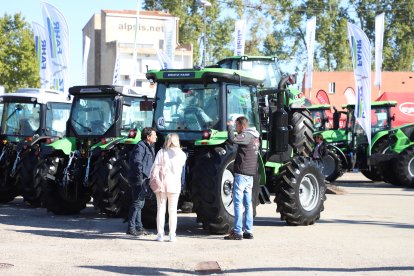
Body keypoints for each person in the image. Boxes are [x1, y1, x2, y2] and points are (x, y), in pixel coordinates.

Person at [225, 116, 260, 240]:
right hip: (250, 175)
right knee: (248, 203)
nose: (236, 128)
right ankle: (248, 231)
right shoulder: (256, 137)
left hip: (242, 174)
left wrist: (228, 126)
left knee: (238, 203)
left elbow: (232, 139)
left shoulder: (246, 135)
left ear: (242, 126)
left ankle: (238, 231)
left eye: (236, 126)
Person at [153, 133, 187, 242]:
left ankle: (160, 235)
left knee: (161, 209)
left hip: (161, 184)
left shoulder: (161, 152)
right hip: (175, 185)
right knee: (173, 211)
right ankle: (172, 235)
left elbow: (155, 168)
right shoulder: (182, 155)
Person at [126, 127, 157, 236]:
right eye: (154, 135)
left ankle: (139, 227)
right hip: (139, 179)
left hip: (144, 179)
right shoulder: (140, 146)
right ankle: (131, 227)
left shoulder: (149, 147)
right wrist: (140, 180)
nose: (156, 136)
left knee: (141, 203)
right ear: (148, 137)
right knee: (137, 203)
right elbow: (137, 163)